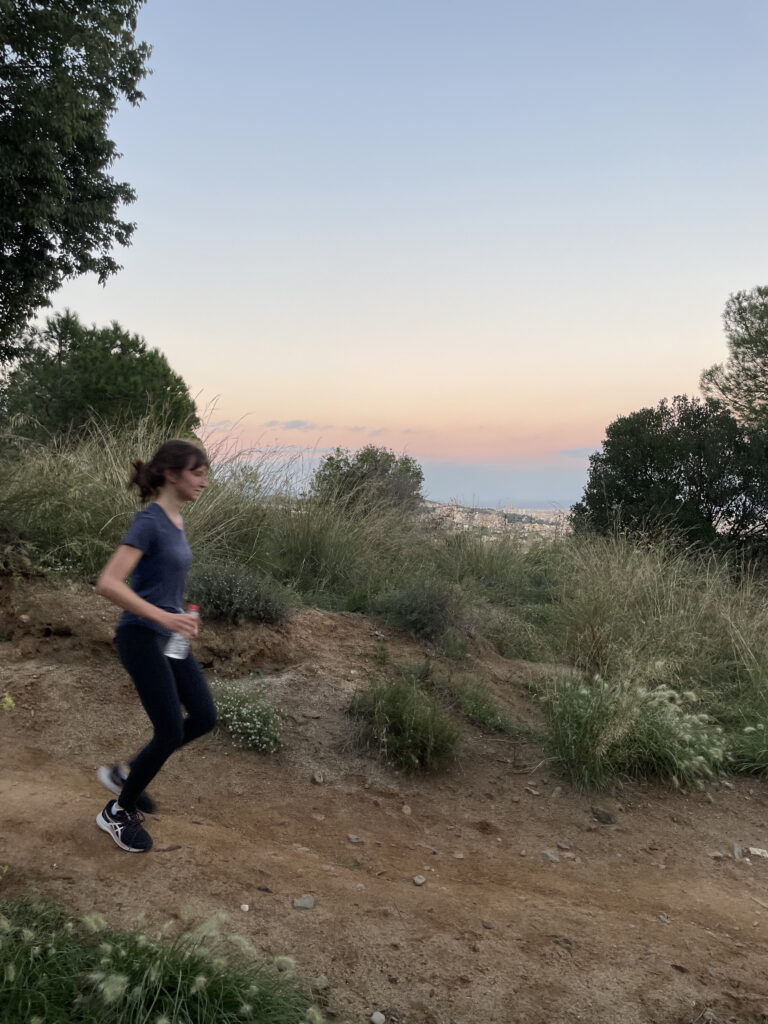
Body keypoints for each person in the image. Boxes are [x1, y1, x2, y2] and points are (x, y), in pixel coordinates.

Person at [94, 439, 216, 853]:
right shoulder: (149, 521)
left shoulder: (177, 521)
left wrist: (180, 615)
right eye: (197, 473)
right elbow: (108, 583)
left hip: (169, 637)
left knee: (203, 715)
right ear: (171, 474)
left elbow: (161, 586)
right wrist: (164, 617)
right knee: (169, 730)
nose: (203, 481)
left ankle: (127, 773)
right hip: (140, 635)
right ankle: (117, 812)